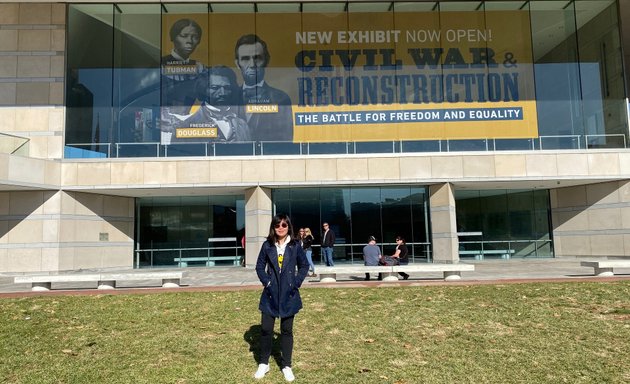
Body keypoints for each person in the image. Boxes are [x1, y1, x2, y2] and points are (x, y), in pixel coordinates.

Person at [254, 214, 309, 382]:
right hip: (270, 293)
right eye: (278, 225)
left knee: (286, 331)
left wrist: (296, 282)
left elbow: (304, 265)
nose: (281, 228)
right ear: (273, 227)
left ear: (288, 227)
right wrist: (267, 282)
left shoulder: (295, 245)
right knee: (266, 329)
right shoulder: (267, 245)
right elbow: (259, 266)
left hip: (289, 293)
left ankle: (286, 365)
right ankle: (264, 363)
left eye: (284, 225)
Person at [234, 34, 294, 142]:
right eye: (245, 59)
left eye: (257, 58)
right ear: (237, 64)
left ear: (266, 61)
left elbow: (285, 141)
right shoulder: (229, 98)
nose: (252, 64)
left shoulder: (281, 99)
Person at [171, 66, 251, 142]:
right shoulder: (184, 126)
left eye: (227, 88)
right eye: (215, 88)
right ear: (203, 89)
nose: (222, 93)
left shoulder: (242, 125)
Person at [161, 18, 204, 143]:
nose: (189, 41)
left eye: (194, 37)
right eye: (184, 36)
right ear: (173, 38)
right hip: (164, 125)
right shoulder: (161, 65)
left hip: (189, 124)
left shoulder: (199, 67)